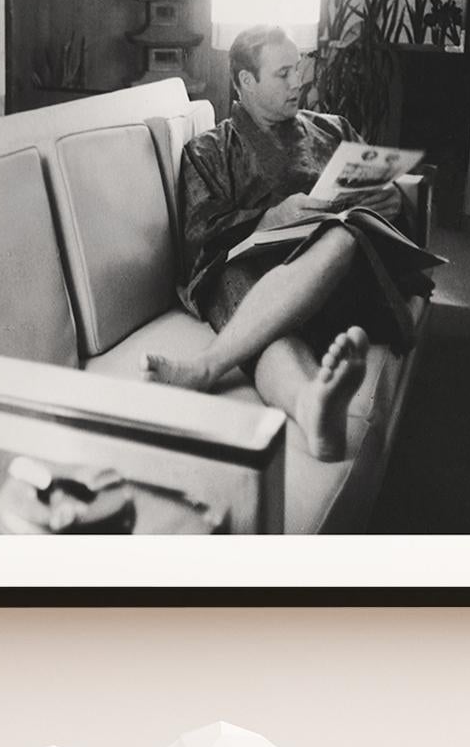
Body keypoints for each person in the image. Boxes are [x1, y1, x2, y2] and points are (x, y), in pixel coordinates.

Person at [152, 25, 430, 460]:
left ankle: (207, 366)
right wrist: (267, 219)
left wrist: (393, 199)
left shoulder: (334, 130)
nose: (298, 81)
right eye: (283, 73)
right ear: (246, 81)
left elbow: (390, 215)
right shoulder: (208, 150)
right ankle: (310, 404)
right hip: (260, 288)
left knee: (341, 236)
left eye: (297, 69)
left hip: (340, 284)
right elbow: (198, 241)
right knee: (241, 292)